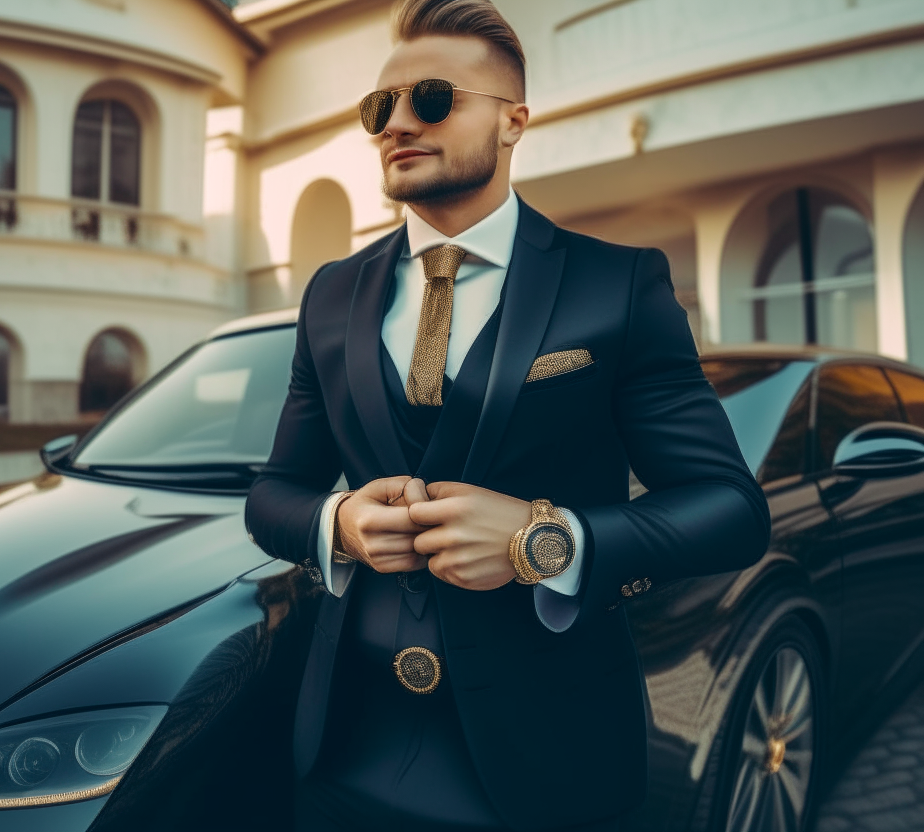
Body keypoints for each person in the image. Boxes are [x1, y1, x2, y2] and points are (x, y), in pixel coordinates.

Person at [244, 0, 772, 829]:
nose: (395, 125)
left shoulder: (618, 284)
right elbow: (275, 492)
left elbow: (732, 511)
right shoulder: (331, 293)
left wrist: (542, 539)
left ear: (514, 121)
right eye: (379, 108)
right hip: (348, 744)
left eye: (431, 98)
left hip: (551, 753)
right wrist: (338, 522)